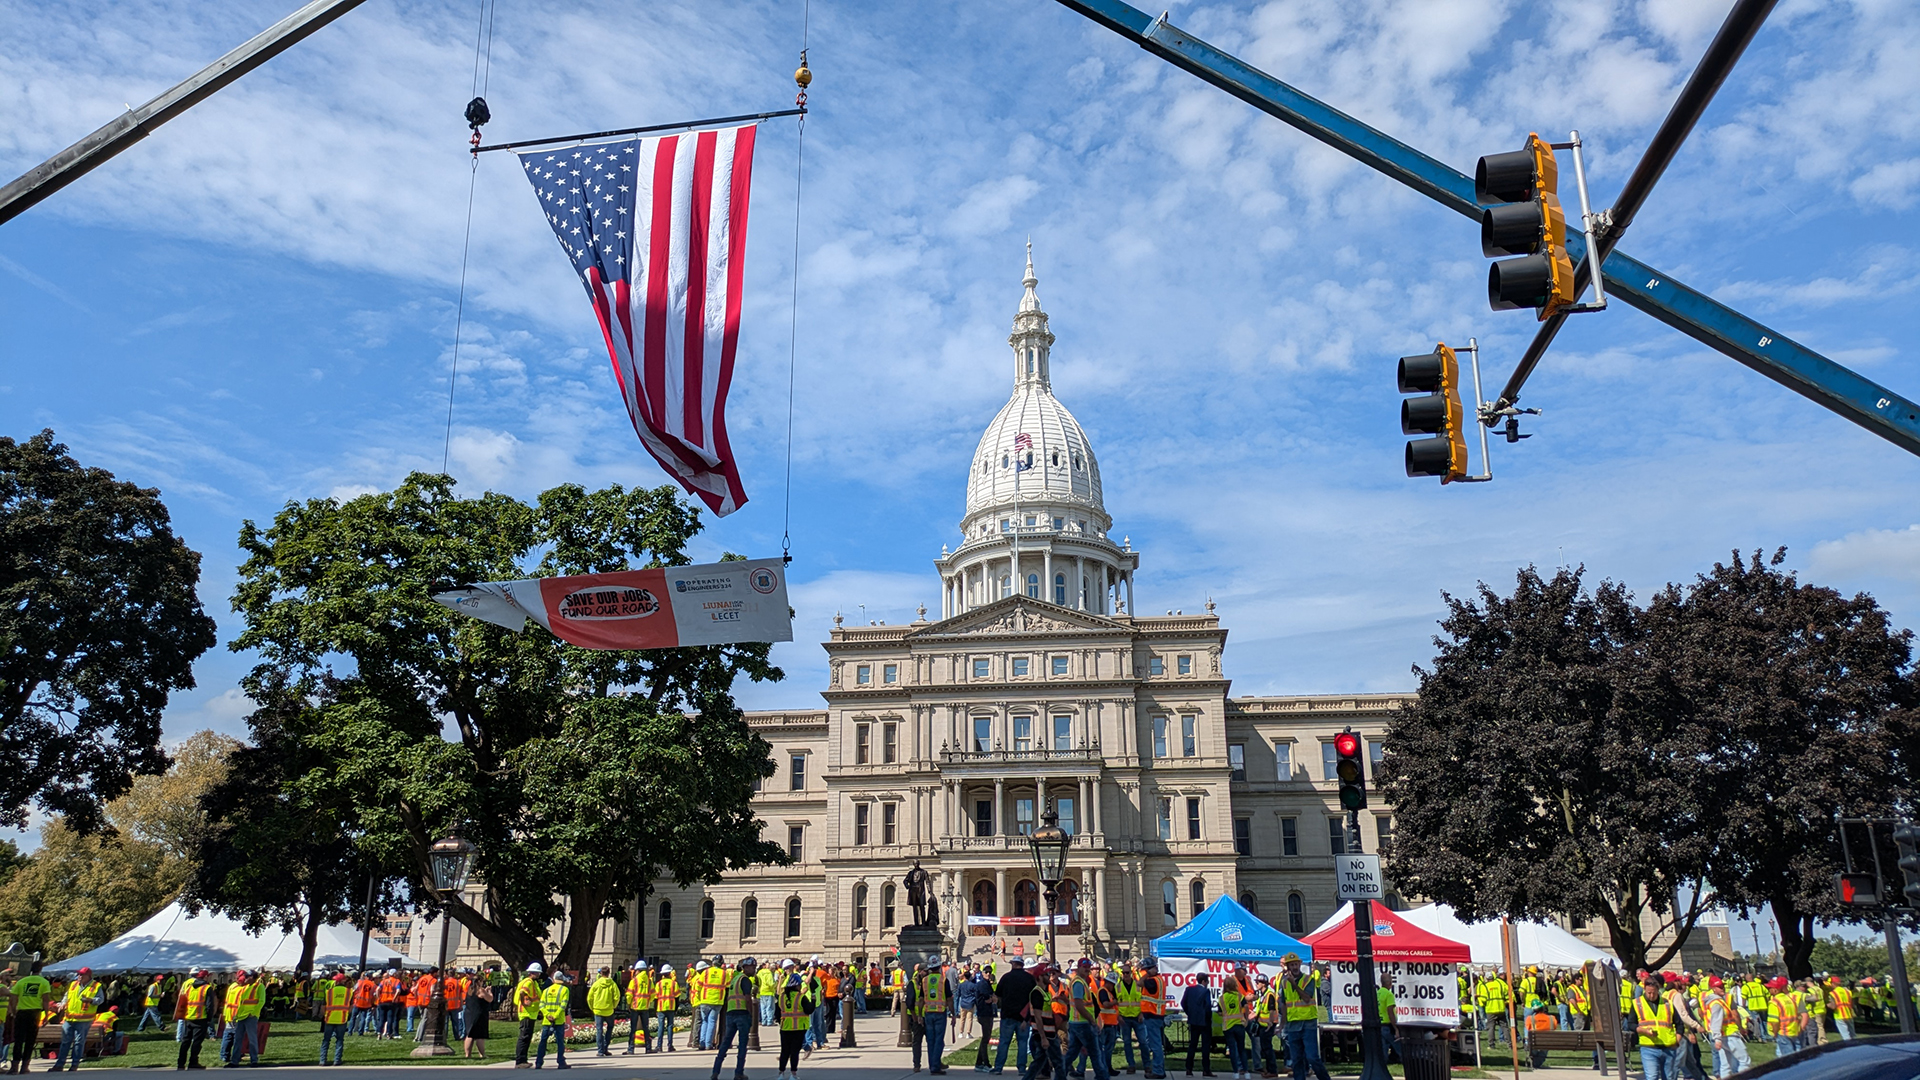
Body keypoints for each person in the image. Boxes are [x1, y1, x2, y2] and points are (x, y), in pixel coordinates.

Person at [1280, 954, 1329, 1080]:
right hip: (1292, 1025)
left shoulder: (1308, 980)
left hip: (1308, 1023)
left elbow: (1306, 998)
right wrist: (1282, 1024)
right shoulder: (1284, 982)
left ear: (1300, 964)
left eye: (1296, 964)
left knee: (1312, 1057)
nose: (1295, 967)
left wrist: (1294, 985)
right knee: (1296, 1060)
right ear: (1288, 967)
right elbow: (1284, 1004)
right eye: (1292, 964)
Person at [712, 957, 758, 1080]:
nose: (754, 969)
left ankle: (715, 1072)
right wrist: (751, 1014)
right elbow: (748, 999)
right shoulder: (745, 980)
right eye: (752, 967)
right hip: (742, 1014)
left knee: (725, 1044)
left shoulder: (734, 979)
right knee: (742, 1045)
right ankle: (739, 1073)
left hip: (730, 1014)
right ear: (745, 968)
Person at [53, 966, 104, 1071]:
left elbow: (100, 1000)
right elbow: (66, 997)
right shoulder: (73, 984)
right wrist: (62, 1004)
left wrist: (91, 1000)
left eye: (82, 974)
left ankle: (74, 1064)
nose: (79, 976)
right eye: (79, 974)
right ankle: (59, 1065)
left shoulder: (96, 986)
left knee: (79, 1042)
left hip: (84, 1020)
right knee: (65, 1041)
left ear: (88, 976)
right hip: (69, 1018)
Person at [991, 956, 1035, 1076]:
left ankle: (998, 1067)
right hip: (1023, 1017)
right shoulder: (1029, 978)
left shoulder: (1006, 977)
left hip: (1008, 1015)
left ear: (1013, 964)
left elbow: (998, 995)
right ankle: (1021, 1068)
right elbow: (1033, 997)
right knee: (1022, 1043)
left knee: (1004, 1042)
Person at [1636, 974, 1680, 1080]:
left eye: (1654, 993)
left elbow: (1679, 1024)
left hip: (1668, 1047)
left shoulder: (1667, 1004)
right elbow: (1631, 1024)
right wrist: (1643, 1030)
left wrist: (1677, 1039)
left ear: (1658, 990)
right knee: (1652, 1076)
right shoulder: (1638, 1003)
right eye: (1648, 993)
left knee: (1669, 1077)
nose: (1651, 996)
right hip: (1648, 1047)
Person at [219, 969, 265, 1068]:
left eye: (247, 976)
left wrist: (253, 1013)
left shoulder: (259, 986)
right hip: (240, 1016)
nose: (245, 978)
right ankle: (234, 1061)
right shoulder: (245, 986)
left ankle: (254, 1060)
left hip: (250, 1016)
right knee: (237, 1039)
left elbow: (261, 1001)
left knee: (252, 1039)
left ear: (252, 977)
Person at [920, 957, 954, 1075]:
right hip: (940, 1013)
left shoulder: (924, 980)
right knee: (939, 1040)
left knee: (931, 1040)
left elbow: (920, 999)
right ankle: (935, 1066)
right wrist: (953, 1014)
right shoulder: (943, 980)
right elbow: (949, 999)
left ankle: (933, 1064)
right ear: (939, 967)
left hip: (928, 1012)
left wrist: (920, 1014)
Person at [777, 967, 812, 1080]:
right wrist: (814, 999)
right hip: (798, 1028)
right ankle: (793, 1074)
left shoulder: (782, 997)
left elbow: (778, 1013)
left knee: (784, 1051)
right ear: (796, 986)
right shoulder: (800, 997)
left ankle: (781, 1074)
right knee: (794, 1052)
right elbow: (809, 1009)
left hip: (785, 1027)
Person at [176, 969, 214, 1071]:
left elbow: (183, 1001)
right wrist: (209, 1019)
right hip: (200, 1018)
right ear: (205, 977)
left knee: (185, 1041)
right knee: (197, 1042)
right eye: (209, 976)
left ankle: (180, 1063)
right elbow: (209, 1005)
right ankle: (193, 1062)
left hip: (188, 1017)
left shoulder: (189, 987)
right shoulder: (207, 988)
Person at [534, 970, 572, 1070]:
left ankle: (539, 1062)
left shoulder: (546, 990)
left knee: (543, 1041)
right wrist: (555, 1016)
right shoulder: (564, 990)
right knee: (560, 1042)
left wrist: (547, 1015)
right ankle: (561, 1062)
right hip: (558, 1020)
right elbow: (563, 1005)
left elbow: (541, 1005)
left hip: (547, 1021)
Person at [1181, 971, 1216, 1078]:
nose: (1208, 983)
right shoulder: (1205, 991)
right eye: (1207, 981)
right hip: (1204, 1022)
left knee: (1192, 1045)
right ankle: (1206, 1069)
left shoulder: (1189, 989)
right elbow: (1208, 1007)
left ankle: (1188, 1068)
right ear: (1203, 981)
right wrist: (1208, 1018)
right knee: (1205, 1046)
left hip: (1193, 1020)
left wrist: (1189, 1013)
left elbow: (1183, 1003)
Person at [512, 962, 545, 1069]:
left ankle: (523, 1060)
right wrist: (525, 1001)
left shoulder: (532, 982)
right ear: (534, 973)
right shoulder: (529, 982)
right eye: (538, 973)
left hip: (530, 1013)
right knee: (524, 1037)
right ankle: (520, 1061)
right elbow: (522, 992)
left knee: (526, 1036)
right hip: (526, 1013)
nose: (539, 975)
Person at [317, 971, 353, 1066]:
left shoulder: (329, 992)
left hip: (329, 1018)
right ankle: (337, 1060)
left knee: (326, 1040)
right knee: (340, 1040)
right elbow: (351, 1007)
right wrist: (347, 1013)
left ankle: (322, 1060)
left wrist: (322, 1016)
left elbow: (323, 1006)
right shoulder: (349, 992)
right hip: (342, 1018)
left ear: (336, 982)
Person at [585, 966, 619, 1057]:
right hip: (609, 1010)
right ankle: (605, 1048)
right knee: (610, 1028)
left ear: (601, 973)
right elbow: (617, 997)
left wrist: (592, 1008)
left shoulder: (596, 984)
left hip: (598, 1010)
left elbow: (590, 998)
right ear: (609, 973)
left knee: (599, 1030)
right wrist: (613, 1006)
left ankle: (600, 1051)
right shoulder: (612, 984)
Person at [460, 968, 494, 1059]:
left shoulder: (470, 990)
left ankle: (468, 1054)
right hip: (479, 1014)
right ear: (479, 981)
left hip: (469, 1013)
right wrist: (489, 991)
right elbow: (489, 999)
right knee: (479, 1035)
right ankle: (482, 1054)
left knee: (469, 1034)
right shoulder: (480, 990)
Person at [973, 963, 1000, 1073]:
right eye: (986, 972)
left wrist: (992, 998)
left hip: (988, 1013)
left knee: (986, 1038)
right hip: (984, 1013)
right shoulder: (982, 984)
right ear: (982, 973)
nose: (988, 974)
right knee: (985, 1038)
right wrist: (991, 998)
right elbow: (988, 997)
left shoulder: (987, 983)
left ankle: (979, 1063)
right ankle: (985, 1063)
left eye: (990, 972)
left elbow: (994, 998)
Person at [625, 961, 654, 1055]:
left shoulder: (634, 981)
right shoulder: (649, 981)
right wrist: (648, 1001)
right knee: (646, 1028)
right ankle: (648, 1048)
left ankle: (630, 1049)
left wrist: (629, 1004)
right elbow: (653, 994)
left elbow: (629, 995)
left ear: (637, 970)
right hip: (645, 1007)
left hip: (635, 1007)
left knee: (633, 1028)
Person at [655, 964, 681, 1053]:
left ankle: (659, 1046)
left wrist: (655, 1009)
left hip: (661, 1007)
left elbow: (655, 998)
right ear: (670, 973)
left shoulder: (658, 984)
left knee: (661, 1027)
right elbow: (677, 997)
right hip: (671, 1007)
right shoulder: (674, 983)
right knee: (670, 1026)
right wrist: (676, 1008)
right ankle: (670, 1046)